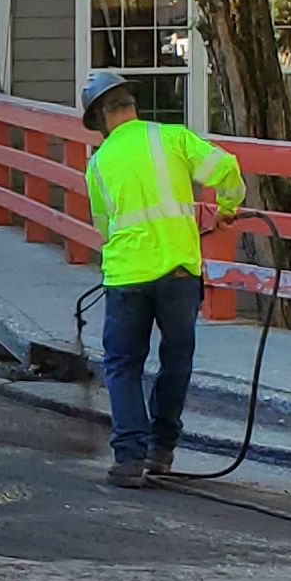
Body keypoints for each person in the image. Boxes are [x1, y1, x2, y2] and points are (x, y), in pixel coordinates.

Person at [82, 71, 245, 489]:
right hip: (178, 271)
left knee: (122, 365)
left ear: (100, 118)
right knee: (176, 361)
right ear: (133, 105)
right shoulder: (172, 137)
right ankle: (162, 450)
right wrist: (228, 206)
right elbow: (225, 166)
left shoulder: (97, 164)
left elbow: (104, 227)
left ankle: (129, 459)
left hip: (126, 276)